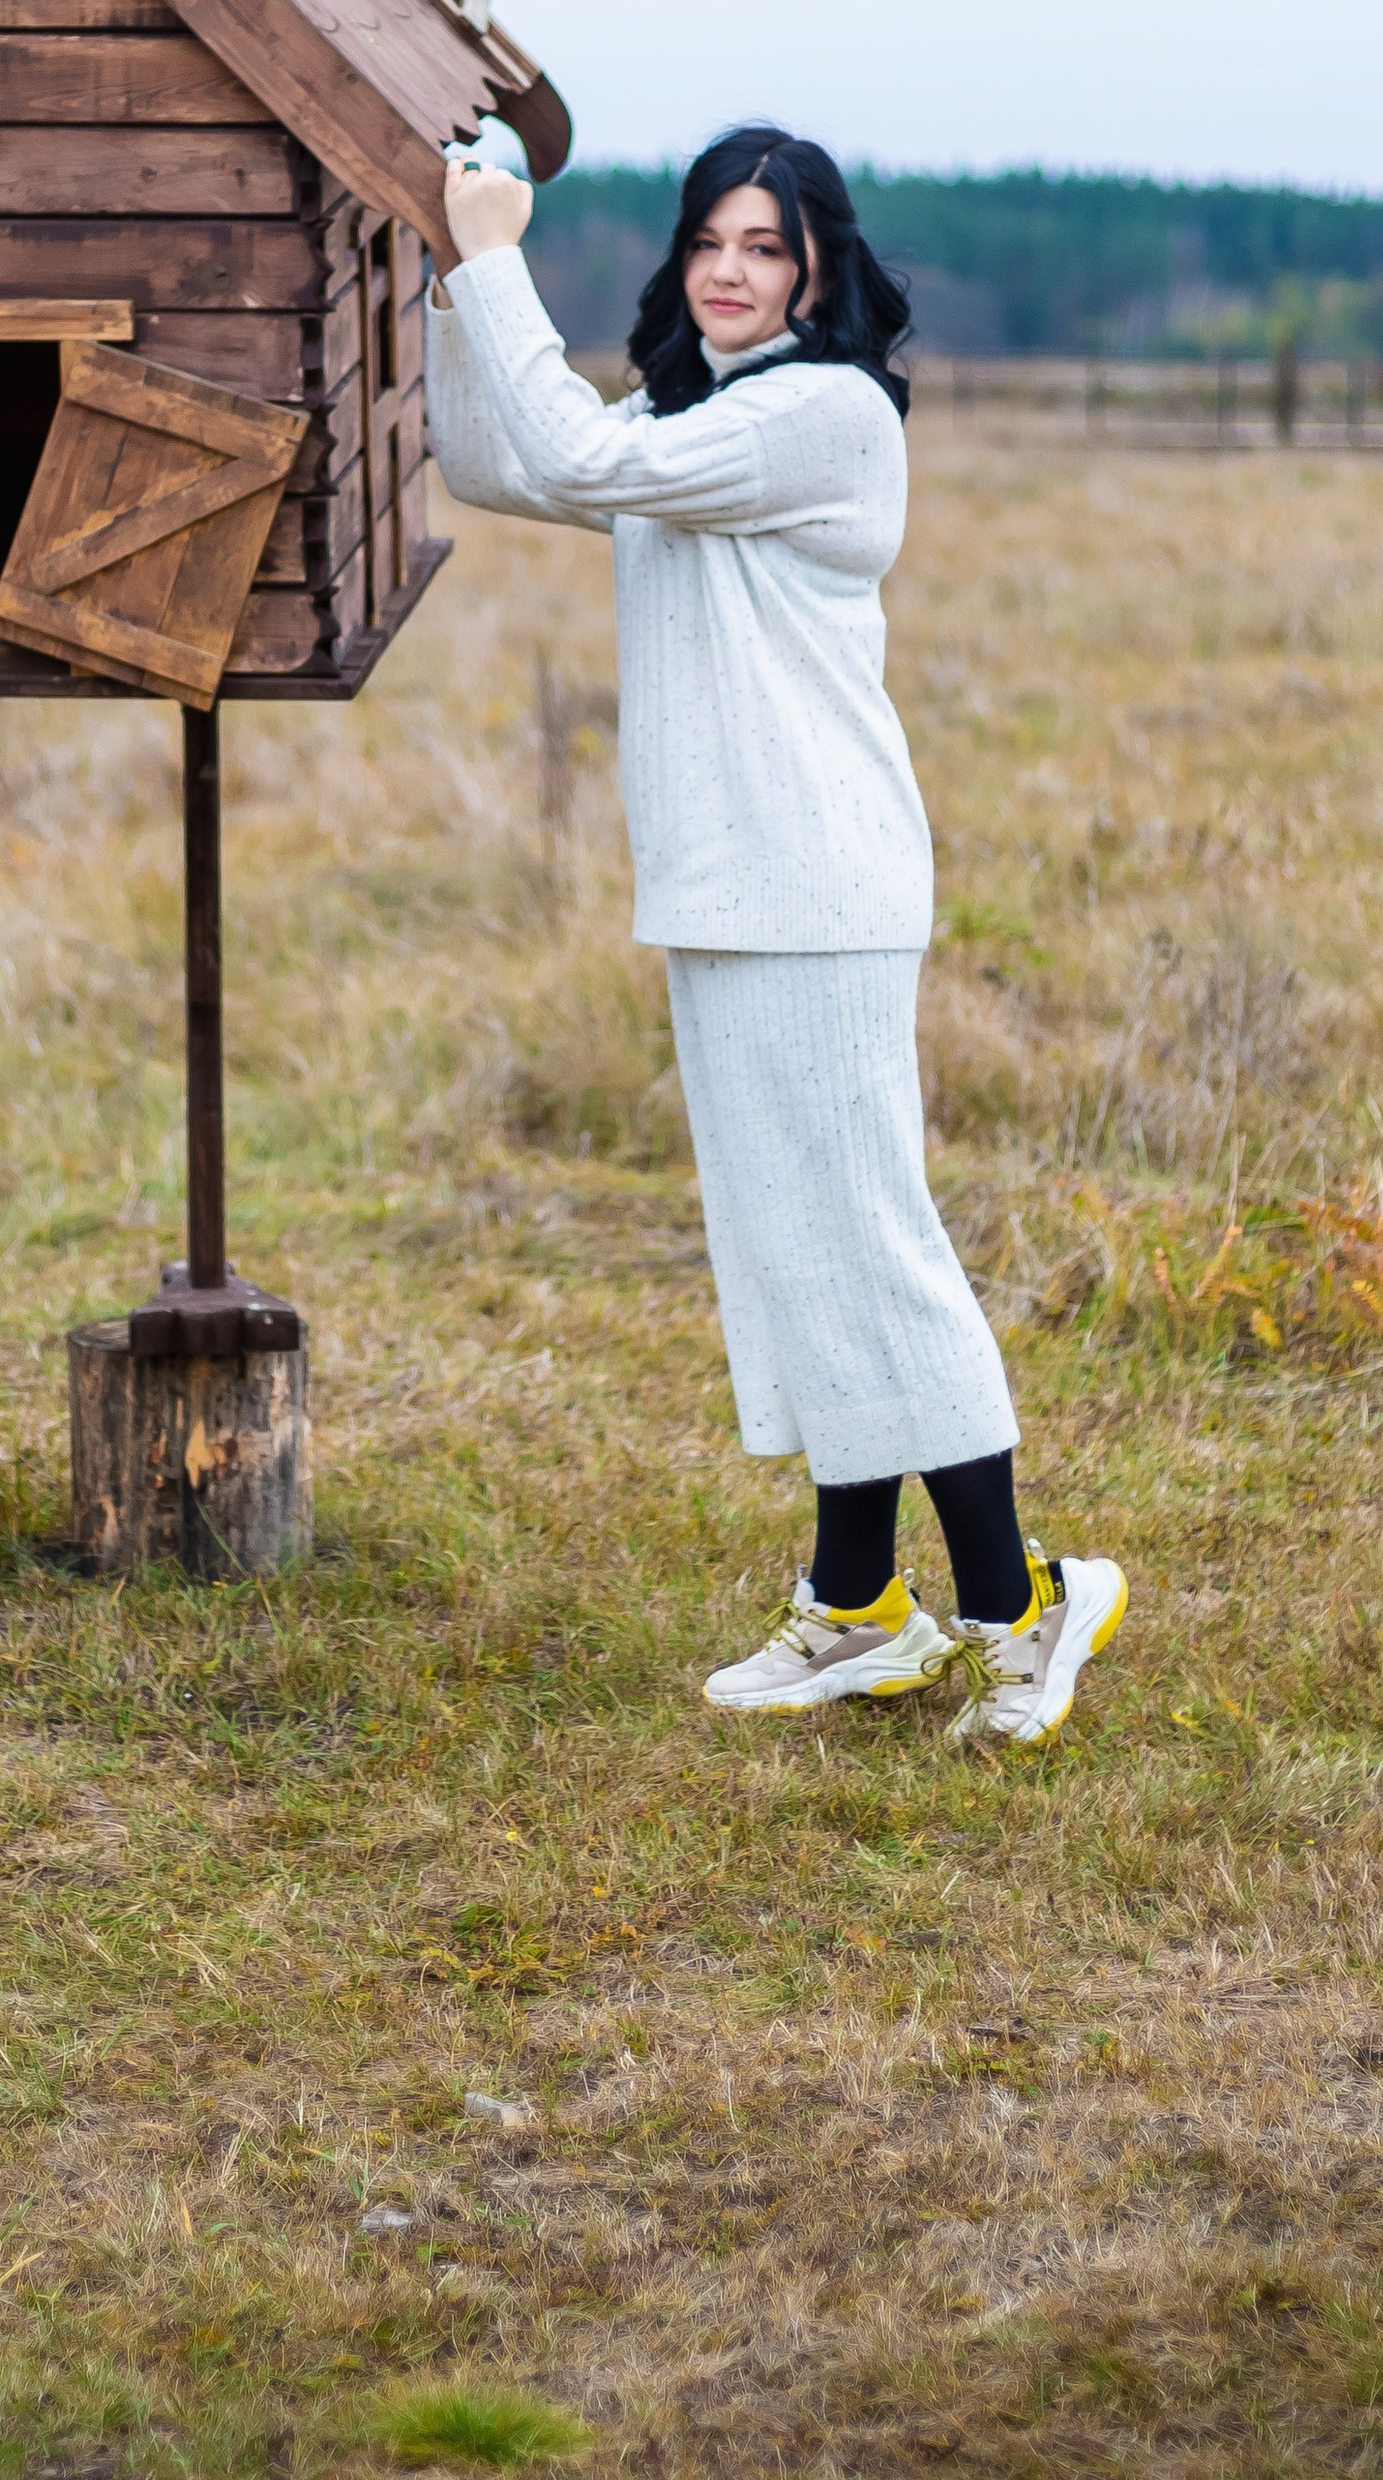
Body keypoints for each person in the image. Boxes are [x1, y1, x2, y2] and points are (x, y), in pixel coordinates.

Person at [428, 125, 1126, 1746]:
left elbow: (579, 462)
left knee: (867, 1247)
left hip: (817, 889)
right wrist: (452, 280)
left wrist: (490, 250)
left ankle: (1025, 1603)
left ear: (819, 267)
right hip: (732, 885)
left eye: (764, 245)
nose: (728, 271)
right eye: (708, 244)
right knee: (792, 1253)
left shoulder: (818, 416)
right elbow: (501, 462)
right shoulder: (700, 418)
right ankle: (861, 1604)